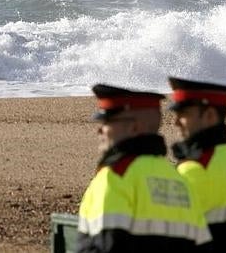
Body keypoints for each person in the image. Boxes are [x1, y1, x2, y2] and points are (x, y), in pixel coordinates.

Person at [77, 84, 211, 253]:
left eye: (107, 122)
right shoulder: (179, 181)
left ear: (134, 128)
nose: (99, 130)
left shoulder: (116, 177)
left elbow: (106, 247)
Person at [167, 77, 226, 253]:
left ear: (209, 116)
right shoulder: (223, 156)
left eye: (184, 114)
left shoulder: (196, 168)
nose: (176, 122)